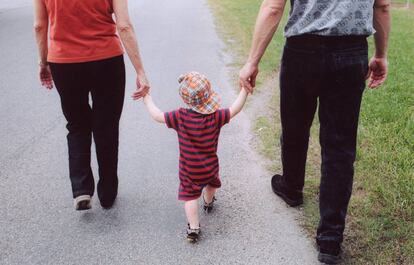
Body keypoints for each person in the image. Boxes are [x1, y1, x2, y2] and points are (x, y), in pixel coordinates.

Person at [239, 0, 390, 263]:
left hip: (302, 50)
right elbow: (383, 6)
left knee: (295, 127)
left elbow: (273, 7)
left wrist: (252, 61)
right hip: (351, 50)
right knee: (340, 147)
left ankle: (292, 187)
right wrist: (381, 55)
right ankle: (330, 240)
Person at [33, 0, 150, 210]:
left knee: (77, 124)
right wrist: (140, 71)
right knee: (106, 126)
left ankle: (81, 189)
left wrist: (43, 63)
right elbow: (124, 25)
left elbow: (39, 26)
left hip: (63, 63)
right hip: (106, 60)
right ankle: (107, 192)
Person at [140, 72, 248, 242]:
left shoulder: (180, 117)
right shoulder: (216, 116)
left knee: (190, 198)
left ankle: (194, 228)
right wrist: (244, 90)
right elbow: (235, 109)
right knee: (212, 184)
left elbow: (157, 115)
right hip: (210, 166)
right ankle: (208, 201)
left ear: (185, 99)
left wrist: (146, 99)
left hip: (189, 170)